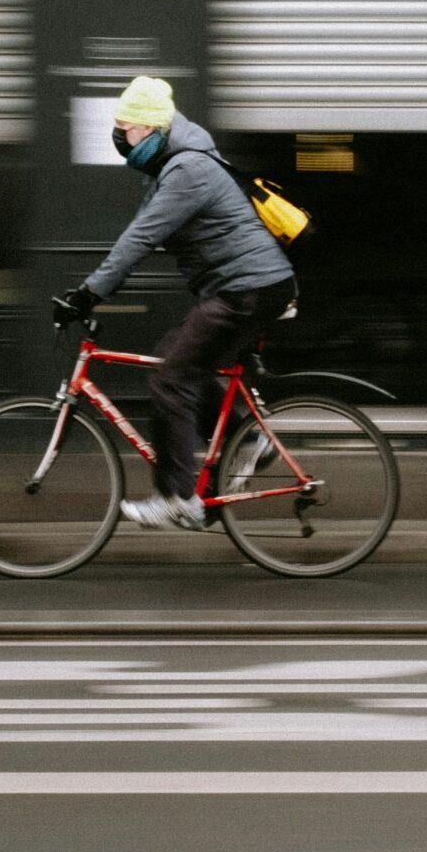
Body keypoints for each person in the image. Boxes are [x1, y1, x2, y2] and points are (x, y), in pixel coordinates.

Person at [55, 76, 297, 532]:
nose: (118, 137)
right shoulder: (177, 164)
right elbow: (143, 235)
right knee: (177, 357)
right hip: (249, 286)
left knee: (171, 379)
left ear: (148, 130)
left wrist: (89, 293)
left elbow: (140, 239)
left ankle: (177, 497)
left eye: (124, 128)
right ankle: (250, 440)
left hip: (247, 289)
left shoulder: (187, 170)